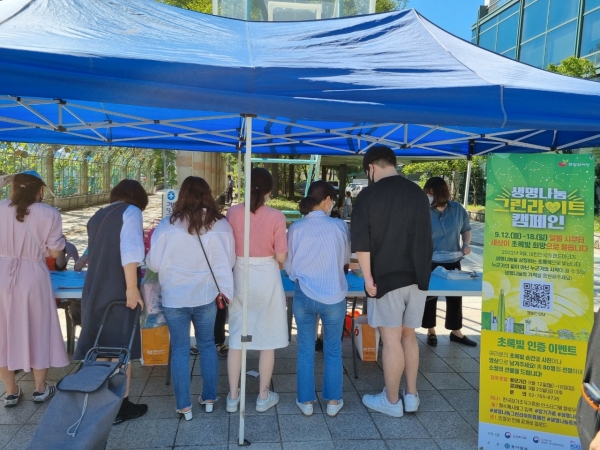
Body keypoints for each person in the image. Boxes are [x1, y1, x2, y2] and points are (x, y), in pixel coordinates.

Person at [351, 145, 432, 417]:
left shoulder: (368, 196)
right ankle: (411, 395)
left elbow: (362, 244)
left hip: (386, 279)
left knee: (390, 338)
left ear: (371, 168)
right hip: (418, 278)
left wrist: (368, 277)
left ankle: (391, 401)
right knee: (409, 336)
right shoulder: (418, 193)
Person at [147, 176, 235, 420]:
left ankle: (184, 406)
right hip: (206, 295)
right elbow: (229, 260)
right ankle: (209, 398)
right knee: (207, 345)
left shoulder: (167, 225)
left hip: (174, 297)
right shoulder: (221, 225)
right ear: (208, 194)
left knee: (180, 350)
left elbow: (154, 263)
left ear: (182, 195)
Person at [74, 179, 148, 425]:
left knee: (100, 345)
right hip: (118, 287)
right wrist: (132, 289)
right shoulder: (131, 211)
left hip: (94, 287)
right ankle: (120, 405)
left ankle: (98, 400)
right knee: (121, 346)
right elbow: (131, 251)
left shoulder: (98, 214)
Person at [0, 171, 69, 407]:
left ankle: (10, 392)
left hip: (2, 274)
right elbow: (56, 252)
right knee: (39, 328)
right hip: (33, 276)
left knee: (3, 331)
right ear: (39, 190)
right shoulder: (50, 213)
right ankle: (40, 389)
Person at [284, 181, 350, 417]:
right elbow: (345, 260)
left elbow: (288, 264)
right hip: (334, 294)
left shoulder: (296, 228)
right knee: (333, 349)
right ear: (327, 200)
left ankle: (306, 401)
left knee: (305, 349)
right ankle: (333, 401)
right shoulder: (340, 226)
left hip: (304, 293)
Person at [226, 167, 288, 413]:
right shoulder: (276, 216)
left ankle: (233, 397)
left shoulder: (233, 212)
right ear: (269, 190)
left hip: (239, 273)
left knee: (237, 337)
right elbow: (281, 255)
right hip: (267, 275)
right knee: (267, 338)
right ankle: (263, 396)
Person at [420, 177, 475, 347]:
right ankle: (430, 330)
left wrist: (466, 244)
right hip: (429, 261)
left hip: (453, 261)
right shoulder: (423, 210)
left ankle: (456, 331)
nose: (428, 197)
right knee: (430, 296)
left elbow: (466, 229)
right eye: (427, 193)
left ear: (441, 193)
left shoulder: (457, 209)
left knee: (455, 296)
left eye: (431, 194)